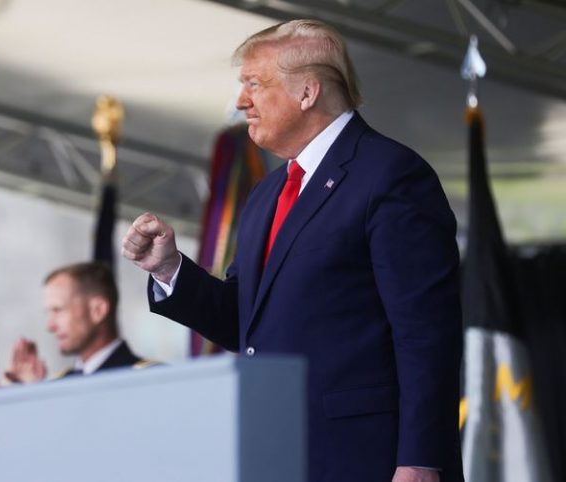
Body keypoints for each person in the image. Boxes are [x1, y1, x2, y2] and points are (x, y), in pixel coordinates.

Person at [122, 19, 463, 482]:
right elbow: (247, 321)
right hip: (278, 450)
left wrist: (422, 460)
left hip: (367, 460)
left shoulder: (392, 176)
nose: (241, 101)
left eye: (254, 84)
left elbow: (426, 335)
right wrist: (170, 270)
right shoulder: (267, 194)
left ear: (307, 94)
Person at [3, 262, 153, 383]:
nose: (50, 326)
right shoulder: (58, 384)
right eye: (48, 313)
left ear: (98, 311)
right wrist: (29, 394)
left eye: (58, 310)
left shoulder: (150, 379)